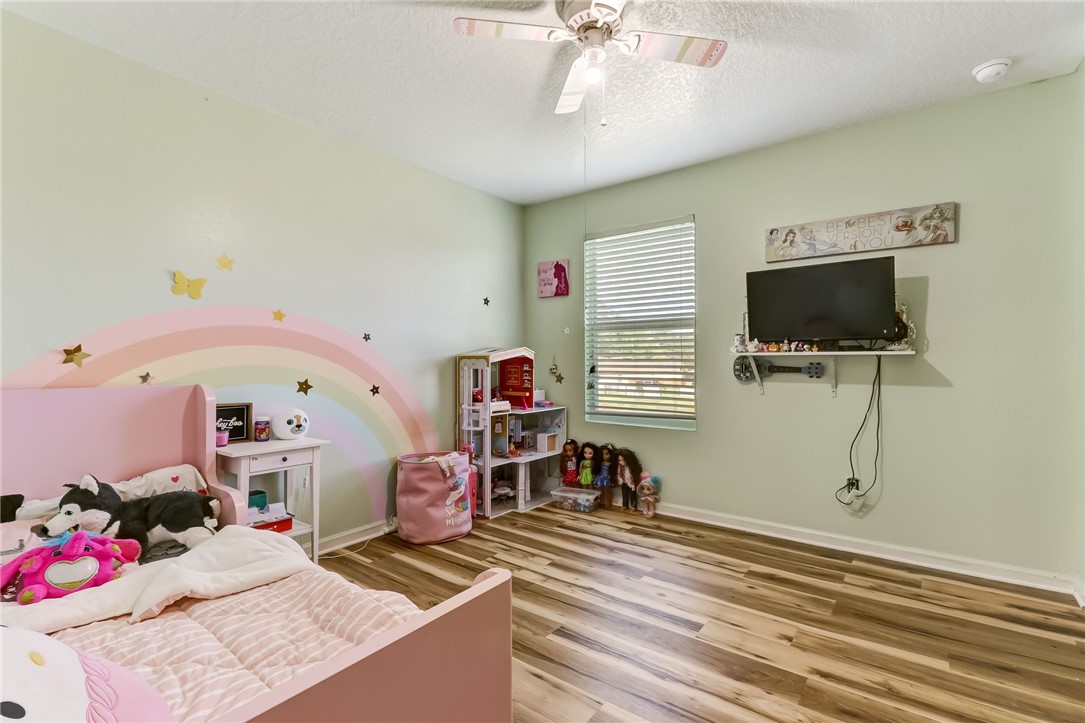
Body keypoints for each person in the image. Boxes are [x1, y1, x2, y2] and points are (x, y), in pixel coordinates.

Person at [615, 448, 643, 513]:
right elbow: (618, 473)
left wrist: (634, 484)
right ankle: (625, 505)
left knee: (633, 495)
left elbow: (635, 476)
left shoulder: (631, 468)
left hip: (631, 483)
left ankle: (633, 506)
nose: (622, 462)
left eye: (624, 460)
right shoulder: (620, 467)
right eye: (619, 460)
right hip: (624, 482)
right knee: (624, 494)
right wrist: (620, 479)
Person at [594, 443, 616, 509]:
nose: (604, 456)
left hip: (607, 478)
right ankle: (601, 501)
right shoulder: (600, 463)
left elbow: (612, 472)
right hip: (600, 477)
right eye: (602, 454)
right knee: (600, 490)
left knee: (608, 491)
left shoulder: (611, 464)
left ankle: (608, 502)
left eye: (607, 454)